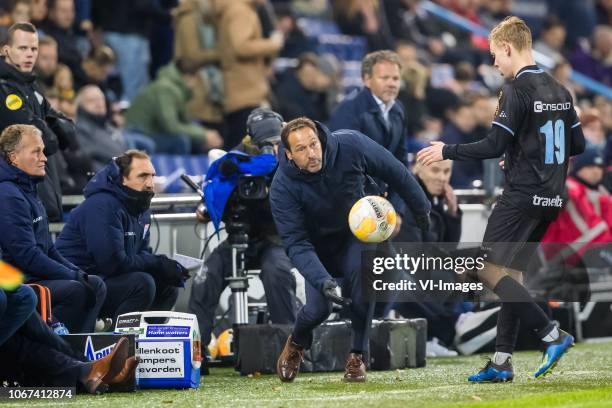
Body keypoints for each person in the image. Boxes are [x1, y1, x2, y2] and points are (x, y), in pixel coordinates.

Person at [417, 16, 585, 382]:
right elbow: (579, 145)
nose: (494, 63)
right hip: (553, 197)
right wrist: (528, 150)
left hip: (522, 195)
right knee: (512, 277)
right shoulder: (560, 89)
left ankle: (551, 333)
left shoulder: (516, 89)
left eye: (495, 55)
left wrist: (448, 150)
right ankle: (501, 362)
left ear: (508, 48)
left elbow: (493, 145)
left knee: (485, 267)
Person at [271, 117, 431, 383]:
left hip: (358, 236)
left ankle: (357, 356)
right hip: (317, 250)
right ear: (288, 154)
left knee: (362, 285)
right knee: (317, 310)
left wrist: (421, 207)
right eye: (301, 149)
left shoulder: (351, 145)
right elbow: (296, 242)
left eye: (313, 144)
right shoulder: (281, 187)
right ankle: (296, 343)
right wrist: (322, 280)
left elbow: (396, 171)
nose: (312, 154)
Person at [188, 108, 297, 367]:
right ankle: (195, 353)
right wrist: (210, 207)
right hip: (240, 235)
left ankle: (290, 349)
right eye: (268, 143)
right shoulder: (233, 161)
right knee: (207, 276)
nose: (273, 147)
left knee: (278, 272)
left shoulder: (294, 156)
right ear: (251, 139)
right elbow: (219, 193)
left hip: (275, 238)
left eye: (276, 142)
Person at [55, 150, 187, 324]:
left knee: (168, 285)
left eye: (152, 176)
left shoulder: (140, 209)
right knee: (142, 283)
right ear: (122, 179)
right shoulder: (102, 206)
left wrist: (165, 268)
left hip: (105, 278)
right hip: (80, 282)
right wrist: (158, 263)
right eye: (142, 176)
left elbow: (141, 253)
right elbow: (112, 263)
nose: (150, 183)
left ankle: (150, 345)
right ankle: (118, 343)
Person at [0, 124, 106, 333]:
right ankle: (63, 351)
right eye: (36, 152)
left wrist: (77, 272)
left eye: (43, 151)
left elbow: (49, 249)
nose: (45, 158)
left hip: (35, 274)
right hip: (19, 282)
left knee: (94, 283)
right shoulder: (8, 194)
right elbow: (25, 255)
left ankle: (80, 349)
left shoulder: (27, 189)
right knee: (76, 290)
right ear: (13, 157)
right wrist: (73, 277)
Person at [0, 22, 78, 222]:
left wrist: (44, 123)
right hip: (18, 199)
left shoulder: (33, 88)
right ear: (5, 50)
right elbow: (44, 141)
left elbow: (69, 134)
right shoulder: (4, 90)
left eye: (34, 49)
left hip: (42, 193)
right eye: (23, 48)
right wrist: (47, 125)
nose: (30, 54)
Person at [328, 50, 409, 237]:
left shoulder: (398, 110)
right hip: (351, 212)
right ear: (366, 79)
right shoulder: (348, 110)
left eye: (395, 78)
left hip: (381, 210)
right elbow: (345, 168)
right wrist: (375, 210)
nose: (391, 83)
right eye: (384, 78)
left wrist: (397, 210)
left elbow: (400, 164)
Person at [215, 0, 283, 149]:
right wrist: (272, 44)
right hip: (244, 92)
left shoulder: (240, 8)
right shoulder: (240, 11)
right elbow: (240, 46)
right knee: (243, 151)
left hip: (241, 89)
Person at [124, 58, 223, 154]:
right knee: (181, 141)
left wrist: (204, 133)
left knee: (197, 139)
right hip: (138, 132)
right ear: (189, 77)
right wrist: (203, 135)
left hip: (152, 131)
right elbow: (171, 126)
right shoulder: (166, 89)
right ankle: (178, 169)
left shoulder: (177, 90)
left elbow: (184, 122)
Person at [75, 85, 127, 171]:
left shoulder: (109, 127)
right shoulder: (80, 130)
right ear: (81, 106)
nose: (98, 103)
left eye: (100, 99)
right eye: (92, 100)